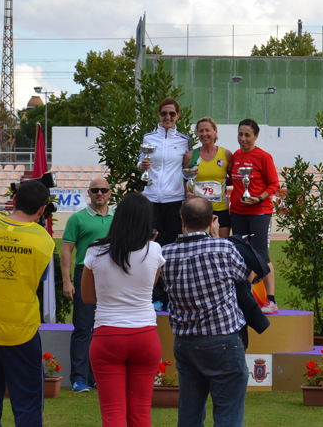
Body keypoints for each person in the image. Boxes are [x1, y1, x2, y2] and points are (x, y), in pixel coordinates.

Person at [0, 180, 55, 427]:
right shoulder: (42, 239)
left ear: (14, 199)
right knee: (27, 402)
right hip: (21, 329)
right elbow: (40, 277)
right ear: (42, 210)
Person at [162, 196, 251, 427]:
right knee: (228, 416)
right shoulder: (223, 246)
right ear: (213, 220)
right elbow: (246, 277)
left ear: (182, 220)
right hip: (222, 340)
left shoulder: (166, 253)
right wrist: (215, 237)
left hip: (185, 342)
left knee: (189, 415)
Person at [81, 192, 164, 427]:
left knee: (113, 415)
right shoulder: (154, 250)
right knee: (140, 415)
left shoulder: (96, 251)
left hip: (108, 334)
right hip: (145, 335)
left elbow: (87, 296)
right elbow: (149, 287)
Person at [61, 176, 113, 393]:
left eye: (103, 190)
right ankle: (79, 378)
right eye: (95, 190)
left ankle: (96, 376)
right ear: (88, 193)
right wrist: (66, 281)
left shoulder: (117, 217)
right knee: (83, 327)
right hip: (86, 275)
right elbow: (66, 251)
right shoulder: (77, 219)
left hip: (111, 276)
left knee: (105, 329)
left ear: (110, 193)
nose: (99, 193)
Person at [138, 97, 192, 309]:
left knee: (175, 247)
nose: (167, 117)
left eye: (172, 113)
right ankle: (158, 296)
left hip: (175, 199)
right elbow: (140, 161)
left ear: (178, 115)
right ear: (158, 115)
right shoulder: (149, 137)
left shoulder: (184, 140)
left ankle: (174, 296)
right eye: (164, 113)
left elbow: (187, 168)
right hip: (151, 198)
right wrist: (142, 165)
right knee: (154, 247)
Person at [229, 118, 281, 314]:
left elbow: (274, 184)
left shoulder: (263, 157)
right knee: (242, 256)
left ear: (256, 136)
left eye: (247, 135)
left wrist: (259, 199)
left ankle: (271, 300)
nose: (243, 138)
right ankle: (247, 298)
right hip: (237, 212)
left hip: (259, 212)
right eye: (240, 134)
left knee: (260, 254)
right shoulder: (235, 156)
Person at [183, 116, 233, 237]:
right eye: (201, 131)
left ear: (215, 131)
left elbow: (233, 179)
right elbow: (185, 180)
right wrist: (187, 193)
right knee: (196, 247)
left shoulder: (226, 154)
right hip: (197, 210)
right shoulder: (190, 156)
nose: (204, 134)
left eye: (207, 130)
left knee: (221, 245)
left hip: (220, 209)